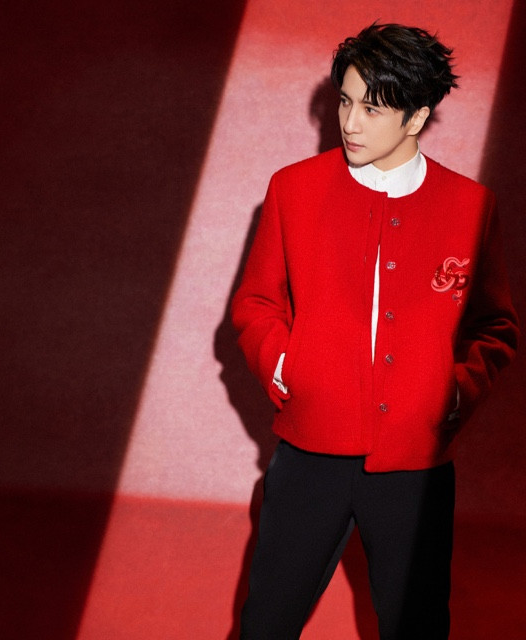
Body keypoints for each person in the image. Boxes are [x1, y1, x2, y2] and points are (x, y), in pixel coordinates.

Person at [231, 23, 519, 639]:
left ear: (417, 117)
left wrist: (455, 391)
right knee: (267, 624)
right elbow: (256, 303)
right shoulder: (292, 189)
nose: (350, 123)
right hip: (309, 453)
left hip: (417, 464)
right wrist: (286, 367)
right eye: (344, 101)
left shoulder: (471, 206)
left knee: (417, 626)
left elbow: (495, 325)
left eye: (371, 108)